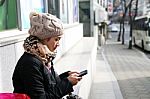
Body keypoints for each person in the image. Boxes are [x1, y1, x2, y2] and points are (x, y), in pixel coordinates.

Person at [12, 12, 82, 99]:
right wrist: (68, 83)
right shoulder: (30, 63)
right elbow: (41, 97)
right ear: (45, 39)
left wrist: (66, 77)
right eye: (56, 39)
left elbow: (48, 84)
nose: (58, 44)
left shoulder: (44, 57)